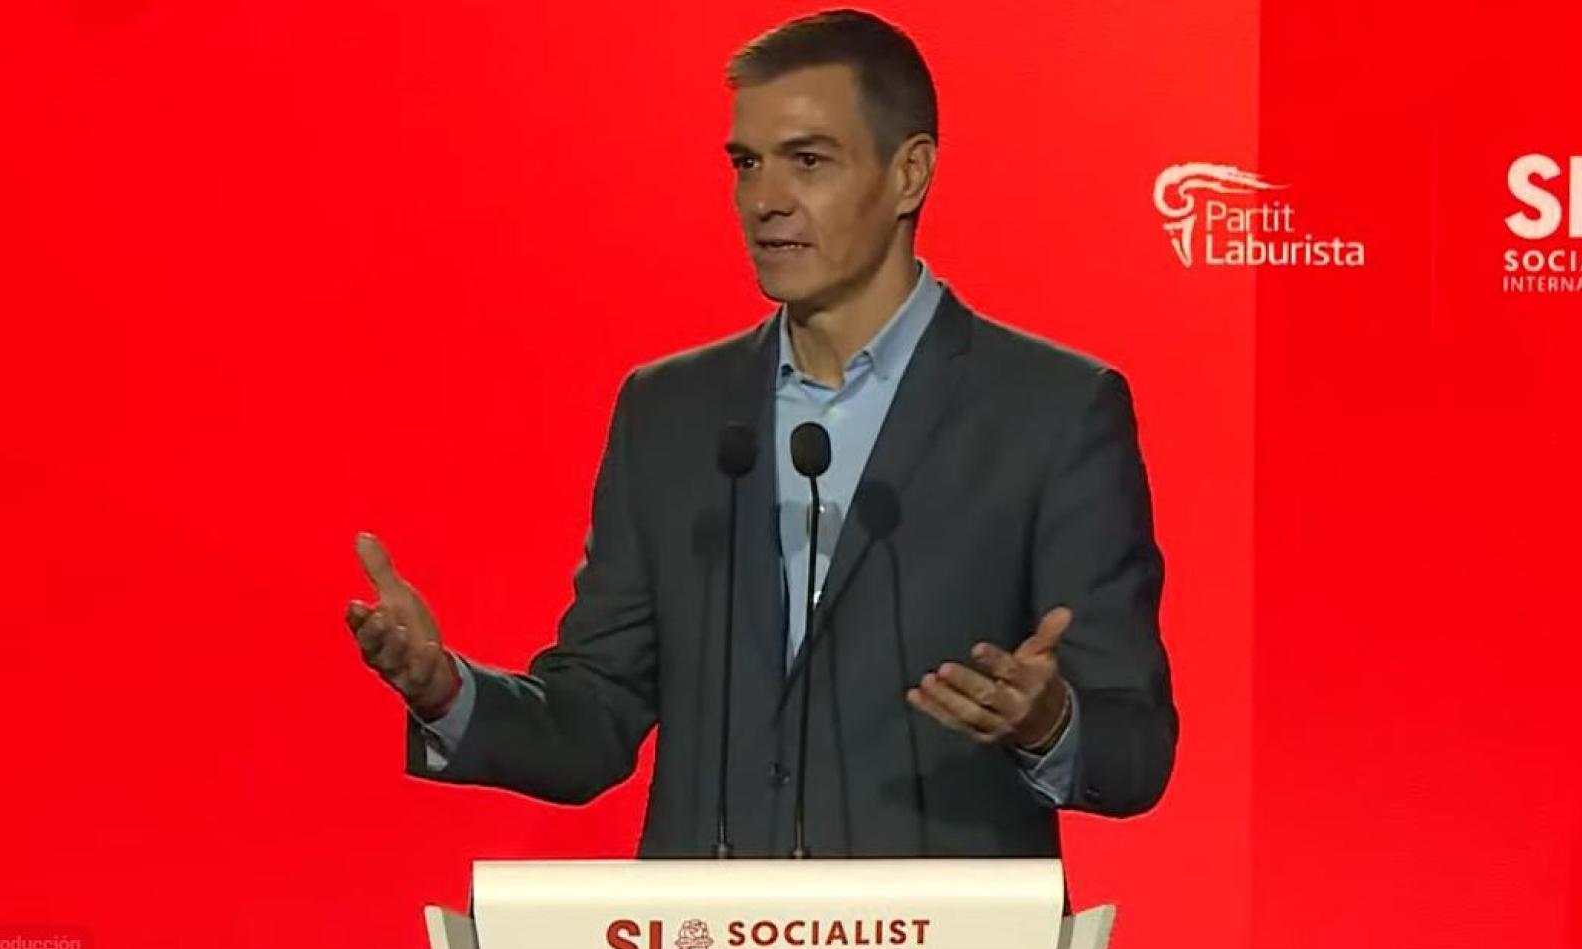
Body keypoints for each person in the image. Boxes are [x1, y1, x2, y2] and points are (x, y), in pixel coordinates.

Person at [345, 8, 1176, 858]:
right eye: (747, 164)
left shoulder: (1052, 411)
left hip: (938, 924)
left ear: (909, 174)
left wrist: (1048, 723)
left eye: (807, 161)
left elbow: (1138, 749)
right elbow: (594, 716)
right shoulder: (670, 412)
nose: (765, 201)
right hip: (705, 923)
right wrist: (448, 692)